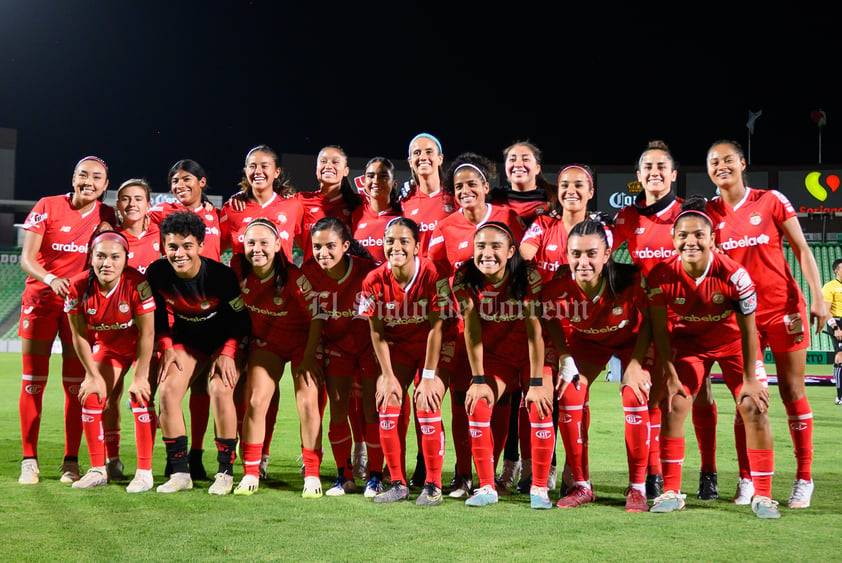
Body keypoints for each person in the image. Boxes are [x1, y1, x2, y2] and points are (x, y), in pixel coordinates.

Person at [705, 139, 829, 509]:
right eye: (714, 162)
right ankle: (746, 479)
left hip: (783, 309)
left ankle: (803, 478)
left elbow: (803, 249)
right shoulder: (708, 213)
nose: (721, 166)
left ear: (743, 163)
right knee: (748, 400)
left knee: (792, 392)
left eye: (728, 159)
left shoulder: (770, 200)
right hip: (741, 319)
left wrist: (818, 296)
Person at [647, 195, 779, 519]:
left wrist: (750, 379)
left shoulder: (735, 276)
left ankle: (763, 496)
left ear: (712, 239)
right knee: (675, 402)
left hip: (734, 344)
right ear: (673, 239)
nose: (690, 241)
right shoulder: (660, 276)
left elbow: (750, 331)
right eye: (683, 235)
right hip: (690, 345)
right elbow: (660, 332)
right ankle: (672, 490)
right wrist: (670, 374)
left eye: (698, 235)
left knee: (754, 405)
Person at [612, 140, 720, 501]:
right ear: (638, 176)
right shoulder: (628, 218)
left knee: (699, 394)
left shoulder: (689, 214)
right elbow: (595, 251)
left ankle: (708, 471)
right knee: (655, 395)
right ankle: (655, 475)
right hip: (653, 318)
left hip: (694, 319)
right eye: (648, 167)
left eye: (662, 167)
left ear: (674, 175)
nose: (655, 173)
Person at [428, 152, 525, 498]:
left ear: (486, 186)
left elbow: (524, 268)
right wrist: (445, 309)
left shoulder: (508, 218)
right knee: (460, 399)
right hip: (464, 328)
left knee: (499, 402)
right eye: (458, 186)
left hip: (503, 329)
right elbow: (436, 274)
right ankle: (463, 474)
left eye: (472, 184)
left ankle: (493, 470)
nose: (465, 190)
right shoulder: (446, 227)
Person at [541, 218, 654, 512]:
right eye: (576, 254)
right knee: (569, 394)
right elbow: (551, 319)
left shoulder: (629, 280)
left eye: (592, 254)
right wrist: (565, 357)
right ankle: (581, 485)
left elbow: (650, 321)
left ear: (606, 255)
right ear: (568, 255)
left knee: (634, 393)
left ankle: (638, 488)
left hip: (631, 342)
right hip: (588, 344)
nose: (583, 261)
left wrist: (636, 363)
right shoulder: (557, 288)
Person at [18, 155, 117, 485]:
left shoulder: (107, 216)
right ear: (73, 178)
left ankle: (71, 461)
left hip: (79, 309)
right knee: (33, 381)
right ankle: (29, 461)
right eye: (83, 175)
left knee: (76, 386)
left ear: (105, 186)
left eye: (96, 177)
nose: (89, 181)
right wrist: (50, 280)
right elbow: (27, 259)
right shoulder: (47, 205)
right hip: (41, 302)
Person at [145, 211, 251, 495]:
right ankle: (180, 472)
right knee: (167, 391)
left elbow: (241, 320)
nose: (180, 253)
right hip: (187, 341)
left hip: (224, 342)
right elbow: (156, 316)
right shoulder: (156, 273)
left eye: (187, 246)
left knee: (220, 389)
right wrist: (166, 346)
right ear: (163, 246)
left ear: (201, 246)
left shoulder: (221, 276)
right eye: (173, 247)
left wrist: (228, 352)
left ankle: (225, 472)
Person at [453, 221, 554, 508]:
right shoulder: (463, 277)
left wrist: (535, 383)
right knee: (479, 402)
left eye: (495, 246)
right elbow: (471, 329)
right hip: (497, 357)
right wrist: (478, 379)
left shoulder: (528, 276)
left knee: (540, 405)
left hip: (532, 356)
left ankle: (539, 488)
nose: (487, 253)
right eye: (480, 246)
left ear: (511, 251)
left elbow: (535, 330)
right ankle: (486, 486)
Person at [220, 144, 305, 478]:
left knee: (304, 392)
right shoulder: (232, 209)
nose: (258, 171)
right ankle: (247, 460)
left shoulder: (295, 205)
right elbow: (217, 253)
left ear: (277, 171)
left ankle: (299, 458)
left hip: (288, 314)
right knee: (246, 391)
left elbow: (314, 247)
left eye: (265, 165)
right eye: (251, 165)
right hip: (249, 314)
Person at [358, 217, 453, 505]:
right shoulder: (373, 280)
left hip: (435, 346)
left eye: (403, 241)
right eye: (390, 241)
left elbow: (438, 327)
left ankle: (433, 485)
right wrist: (386, 375)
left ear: (416, 246)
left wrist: (428, 375)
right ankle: (398, 482)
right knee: (387, 400)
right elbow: (376, 330)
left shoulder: (433, 274)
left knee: (427, 400)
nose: (396, 247)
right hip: (398, 346)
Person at [230, 218, 325, 497]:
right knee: (256, 400)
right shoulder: (238, 271)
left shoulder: (293, 278)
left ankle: (311, 472)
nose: (257, 249)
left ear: (277, 245)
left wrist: (308, 358)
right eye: (251, 243)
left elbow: (317, 316)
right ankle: (251, 470)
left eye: (263, 243)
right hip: (267, 344)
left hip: (301, 345)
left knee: (308, 403)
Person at [64, 231, 156, 492]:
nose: (107, 263)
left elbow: (148, 333)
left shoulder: (137, 284)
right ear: (91, 257)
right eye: (100, 256)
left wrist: (140, 377)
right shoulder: (77, 286)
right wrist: (92, 375)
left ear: (125, 259)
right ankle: (99, 469)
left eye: (115, 257)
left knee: (140, 395)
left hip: (140, 347)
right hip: (110, 348)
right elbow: (79, 335)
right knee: (92, 394)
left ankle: (144, 472)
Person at [148, 159, 222, 481]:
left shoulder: (219, 214)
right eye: (174, 180)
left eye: (186, 179)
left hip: (214, 314)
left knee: (204, 388)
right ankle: (170, 457)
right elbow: (131, 220)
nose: (180, 185)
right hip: (177, 311)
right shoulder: (161, 213)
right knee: (168, 386)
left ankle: (197, 456)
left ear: (202, 182)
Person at [302, 217, 380, 496]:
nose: (323, 253)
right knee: (337, 410)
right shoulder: (309, 273)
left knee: (371, 410)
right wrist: (310, 355)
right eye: (317, 247)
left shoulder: (368, 271)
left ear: (346, 245)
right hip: (338, 347)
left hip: (369, 348)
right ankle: (344, 476)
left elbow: (380, 317)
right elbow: (313, 317)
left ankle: (375, 476)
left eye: (330, 246)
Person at [100, 178, 161, 481]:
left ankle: (146, 469)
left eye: (138, 198)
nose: (132, 204)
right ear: (117, 204)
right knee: (107, 396)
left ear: (149, 204)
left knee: (145, 396)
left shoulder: (161, 233)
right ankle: (112, 459)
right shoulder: (109, 239)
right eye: (125, 198)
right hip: (115, 332)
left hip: (152, 331)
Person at [294, 145, 364, 262]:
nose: (328, 166)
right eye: (323, 161)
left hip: (346, 274)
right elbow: (301, 240)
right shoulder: (301, 200)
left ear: (346, 171)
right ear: (316, 169)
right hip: (312, 274)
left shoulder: (359, 203)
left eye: (335, 162)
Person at [399, 133, 452, 255]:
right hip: (419, 273)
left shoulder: (456, 197)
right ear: (410, 161)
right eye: (417, 153)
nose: (423, 157)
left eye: (429, 152)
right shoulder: (405, 201)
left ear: (440, 159)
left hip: (449, 273)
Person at [353, 156, 402, 266]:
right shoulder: (355, 213)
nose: (376, 181)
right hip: (361, 282)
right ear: (364, 181)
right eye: (370, 176)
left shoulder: (403, 214)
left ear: (394, 183)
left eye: (383, 176)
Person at [490, 140, 552, 226]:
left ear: (537, 168)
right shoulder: (494, 198)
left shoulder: (553, 198)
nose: (518, 164)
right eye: (512, 159)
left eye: (525, 159)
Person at [821, 258, 842, 405]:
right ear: (837, 271)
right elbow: (826, 310)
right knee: (840, 355)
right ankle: (840, 396)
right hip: (838, 321)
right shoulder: (829, 287)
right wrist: (835, 328)